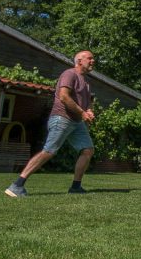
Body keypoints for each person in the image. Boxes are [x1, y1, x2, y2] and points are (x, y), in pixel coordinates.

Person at [6, 51, 96, 197]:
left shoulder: (86, 83)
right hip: (62, 118)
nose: (93, 61)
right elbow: (63, 97)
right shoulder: (69, 74)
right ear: (79, 60)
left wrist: (89, 111)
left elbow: (86, 105)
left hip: (76, 122)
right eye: (90, 58)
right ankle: (16, 185)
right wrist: (83, 113)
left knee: (88, 150)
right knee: (49, 151)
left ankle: (75, 187)